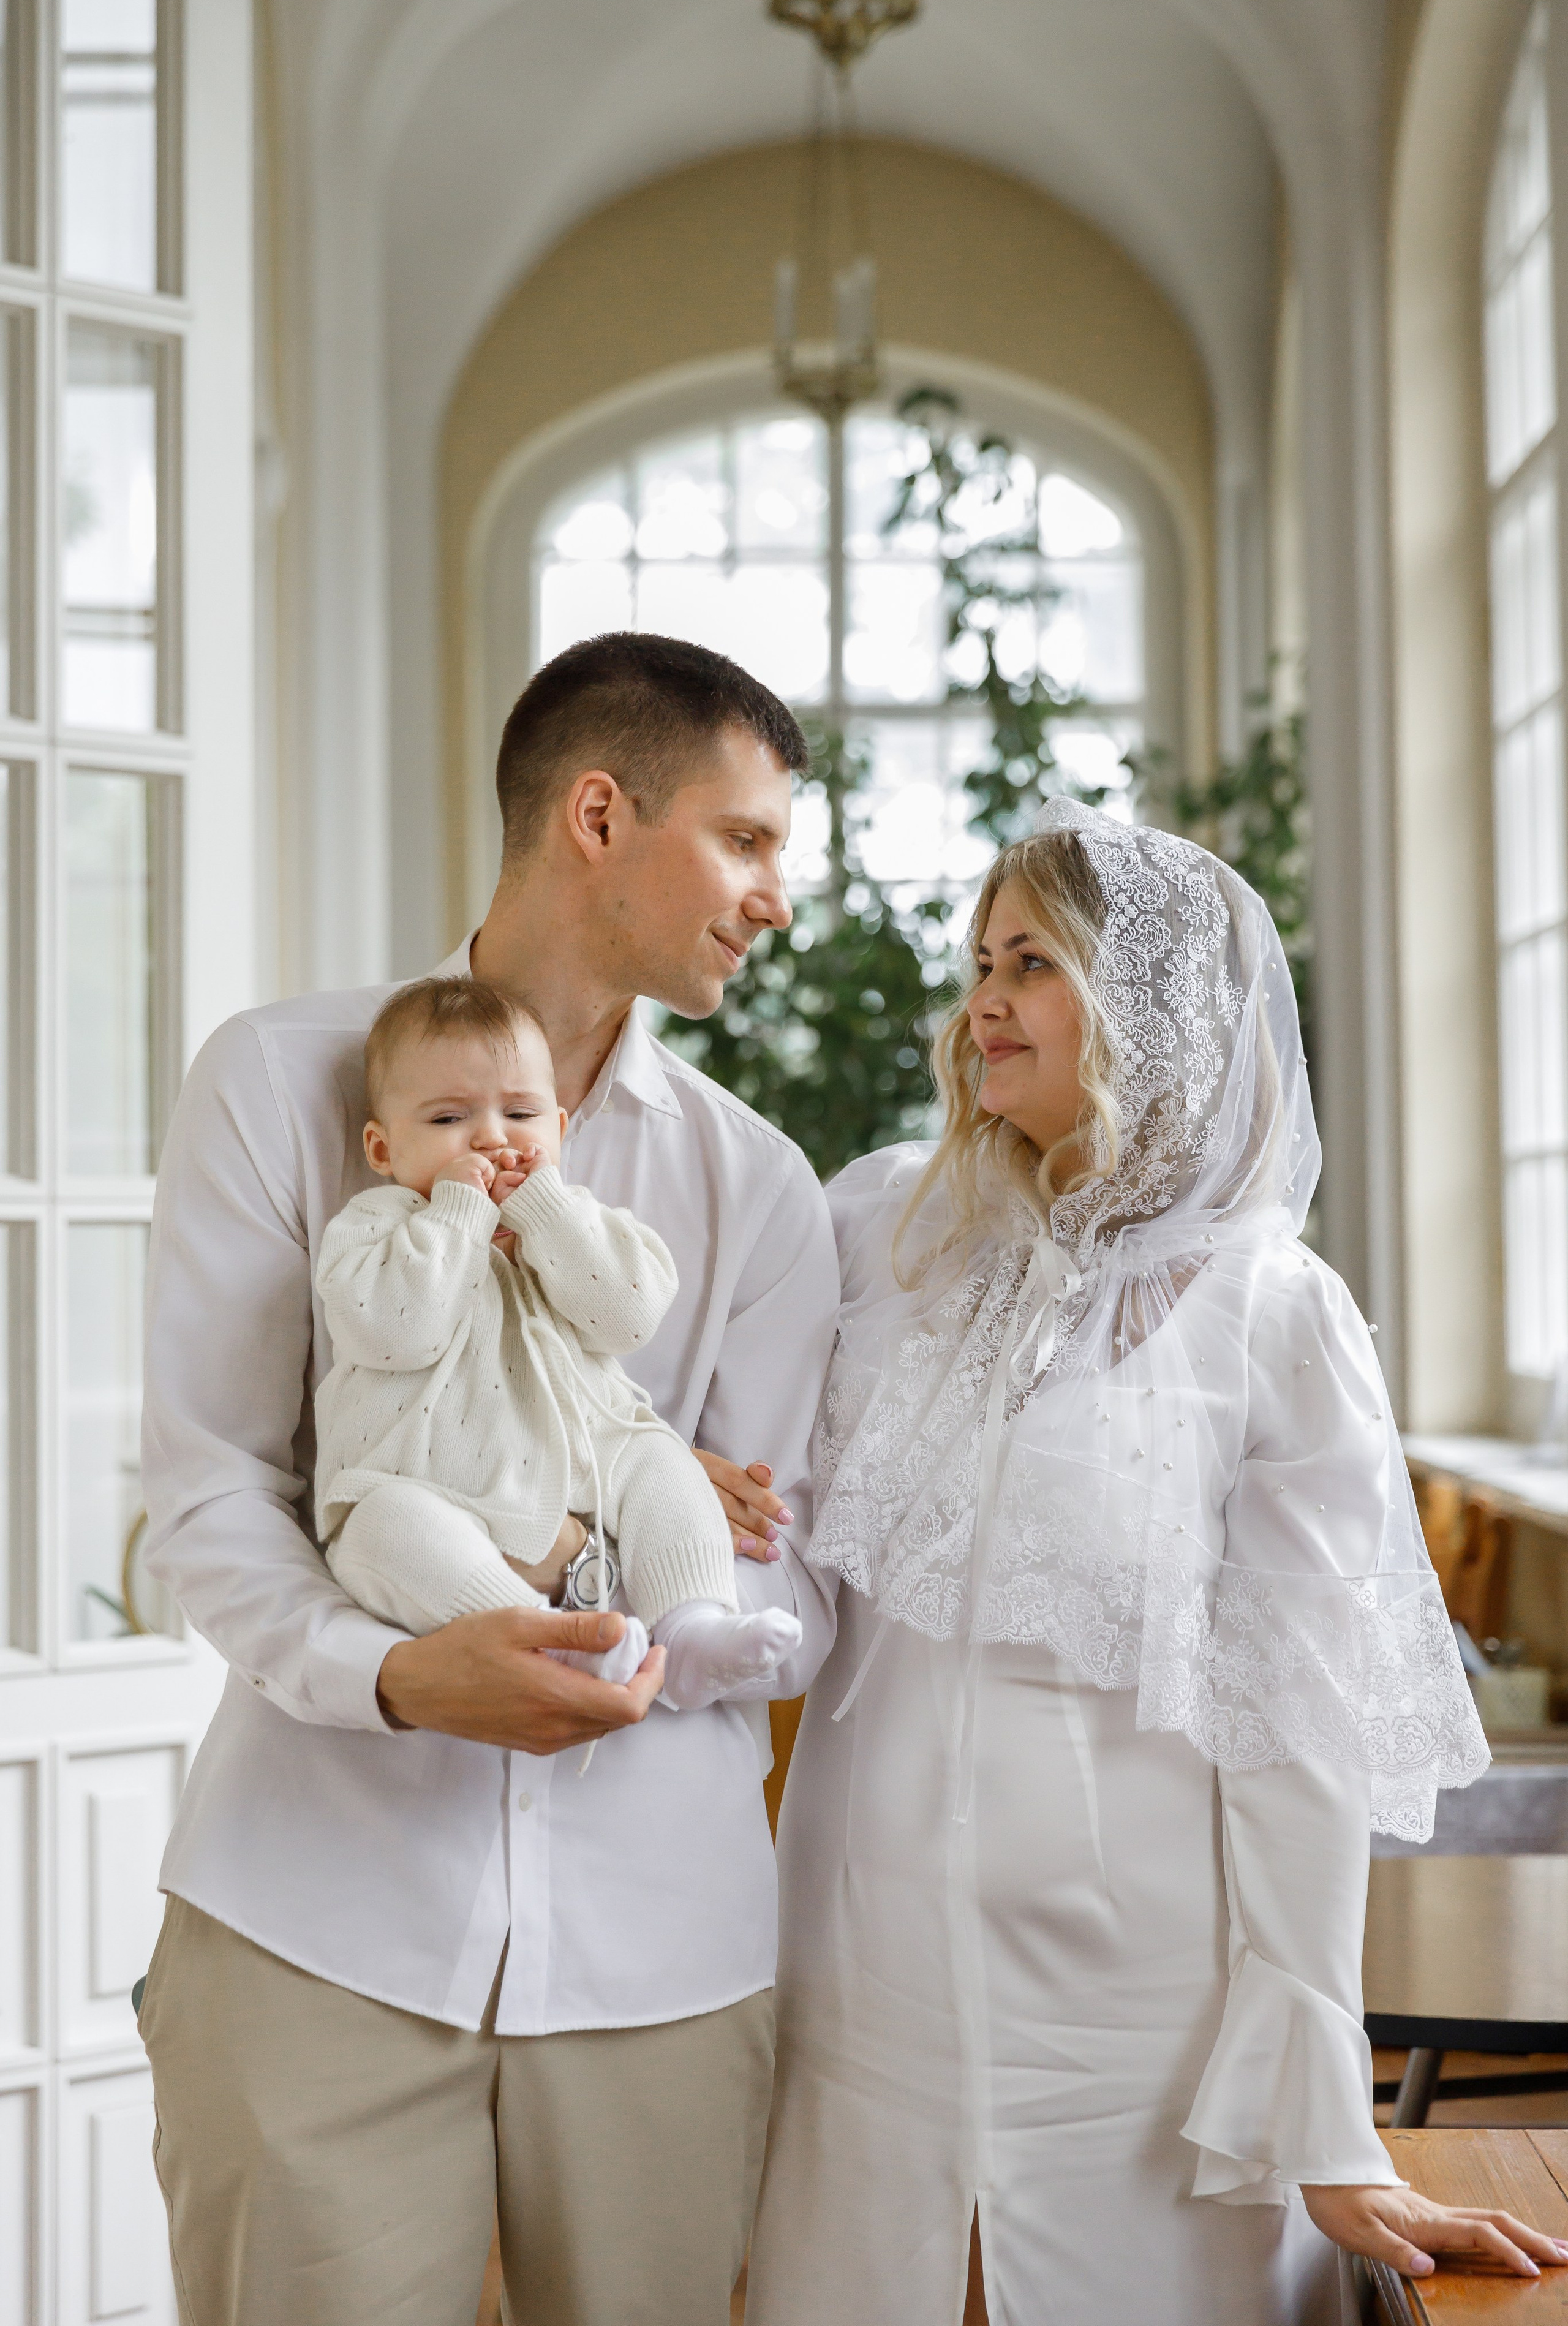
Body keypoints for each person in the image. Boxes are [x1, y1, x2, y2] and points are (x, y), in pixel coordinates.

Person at [747, 802, 1568, 2326]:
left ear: (1149, 1006)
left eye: (1031, 962)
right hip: (859, 1981)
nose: (980, 1001)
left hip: (1136, 2029)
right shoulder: (881, 1225)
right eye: (979, 959)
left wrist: (1326, 2128)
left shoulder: (1273, 1311)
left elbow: (1296, 1741)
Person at [137, 632, 839, 2326]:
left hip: (664, 1957)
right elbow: (211, 1491)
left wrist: (638, 1596)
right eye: (747, 843)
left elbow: (790, 1582)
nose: (776, 900)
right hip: (315, 1922)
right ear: (600, 813)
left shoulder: (758, 1186)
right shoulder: (280, 1083)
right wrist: (390, 1673)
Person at [317, 973, 802, 1705]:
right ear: (383, 1149)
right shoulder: (376, 1228)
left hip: (582, 1466)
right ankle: (539, 1642)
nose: (490, 1137)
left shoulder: (571, 1222)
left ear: (560, 1130)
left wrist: (544, 1210)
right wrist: (456, 1212)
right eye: (449, 1120)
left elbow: (630, 1314)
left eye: (519, 1112)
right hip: (418, 1481)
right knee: (381, 1530)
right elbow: (396, 1334)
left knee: (662, 1463)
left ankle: (694, 1627)